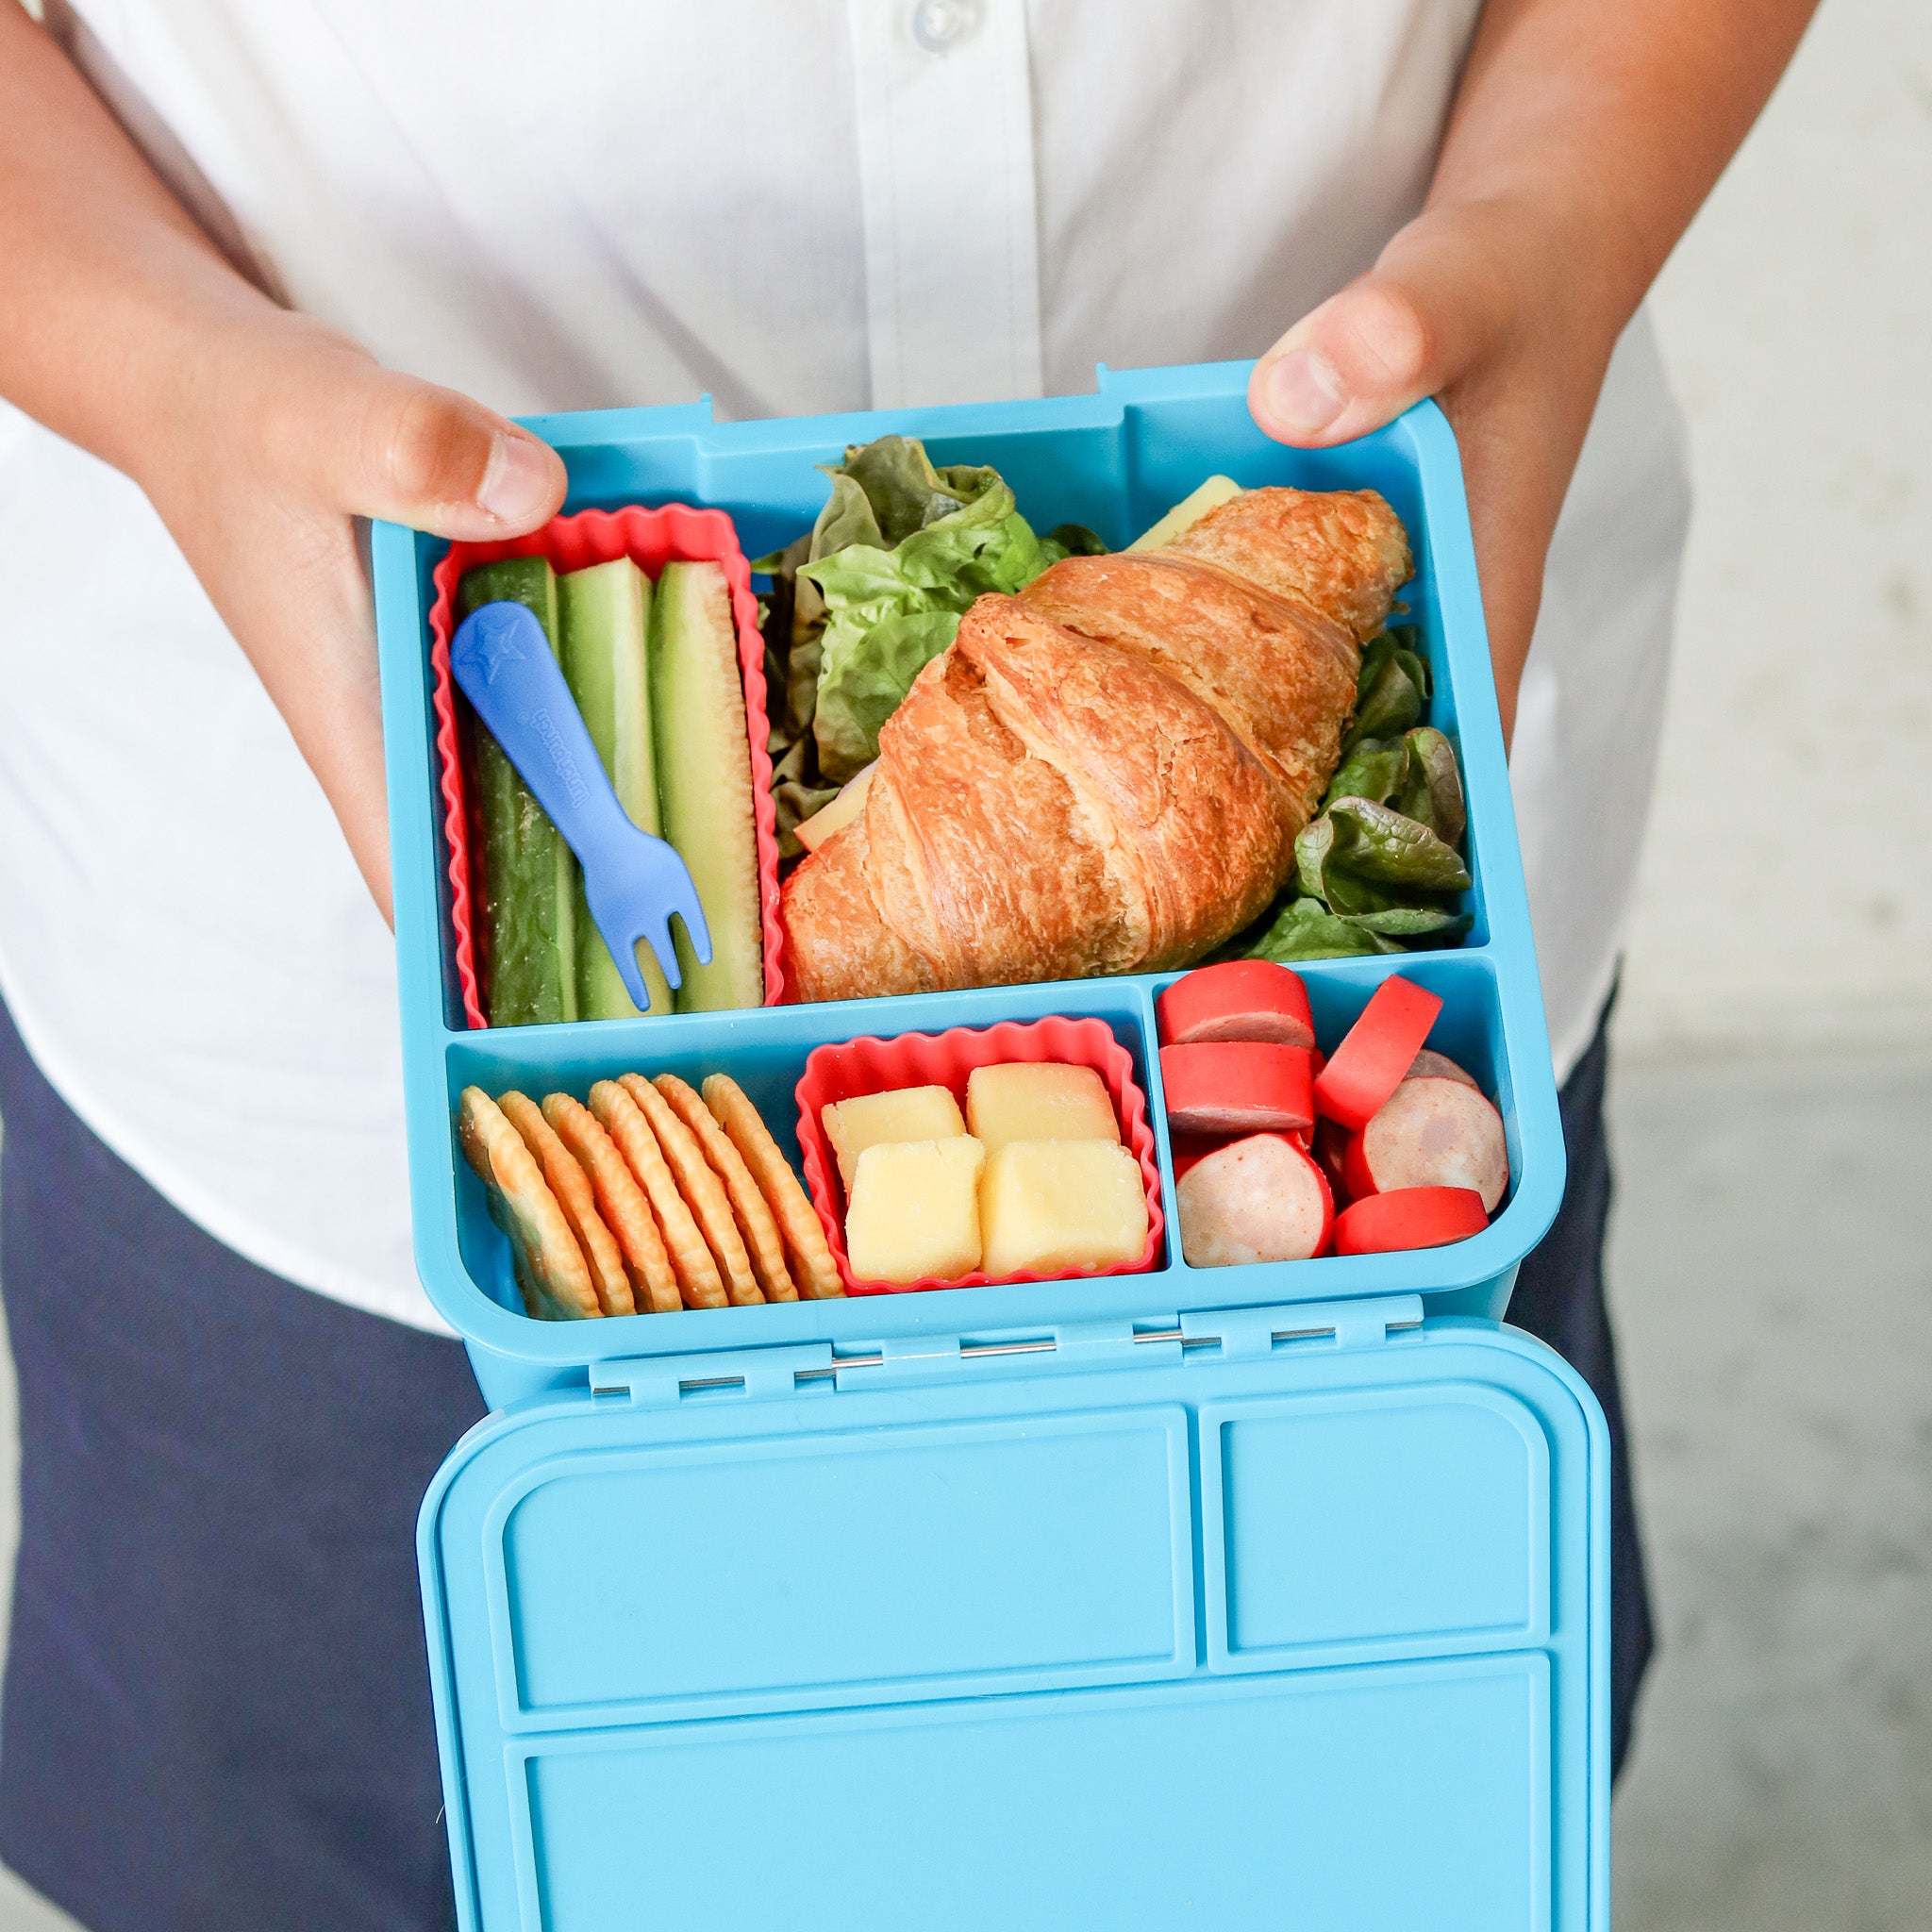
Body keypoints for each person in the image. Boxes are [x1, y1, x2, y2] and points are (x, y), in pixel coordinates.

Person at [0, 1, 1818, 1925]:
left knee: (1325, 1836)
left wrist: (1557, 219)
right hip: (302, 1046)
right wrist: (176, 383)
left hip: (1405, 867)